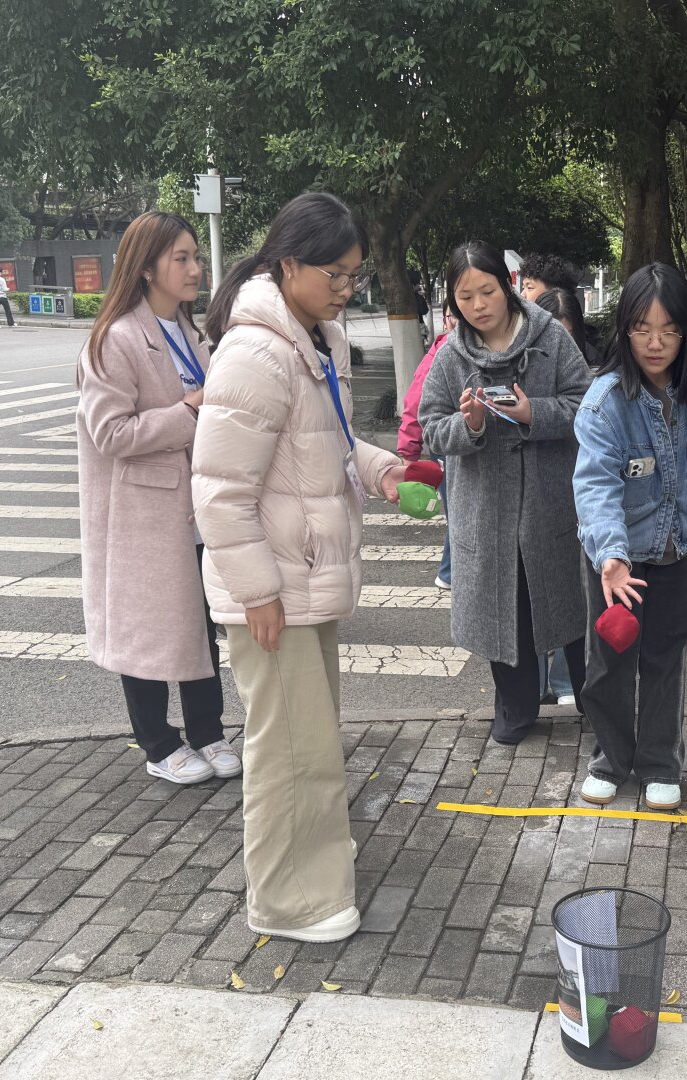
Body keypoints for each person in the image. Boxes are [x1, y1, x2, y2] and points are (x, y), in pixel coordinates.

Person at [192, 192, 406, 943]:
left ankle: (314, 861)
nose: (346, 289)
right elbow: (220, 492)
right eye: (334, 275)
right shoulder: (256, 353)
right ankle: (292, 902)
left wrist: (382, 469)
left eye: (354, 275)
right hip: (273, 589)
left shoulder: (312, 339)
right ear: (288, 266)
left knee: (310, 738)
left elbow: (329, 444)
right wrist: (257, 592)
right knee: (289, 750)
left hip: (302, 579)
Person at [573, 263, 687, 810]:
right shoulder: (605, 401)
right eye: (641, 329)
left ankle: (660, 762)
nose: (655, 344)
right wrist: (611, 557)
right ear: (624, 330)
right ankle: (610, 759)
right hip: (618, 559)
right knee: (611, 660)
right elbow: (595, 486)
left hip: (679, 547)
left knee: (665, 657)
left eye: (669, 331)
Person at [77, 211, 237, 786]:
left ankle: (208, 731)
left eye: (196, 258)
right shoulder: (115, 340)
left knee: (199, 624)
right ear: (146, 268)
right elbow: (110, 434)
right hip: (142, 513)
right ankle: (158, 743)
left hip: (195, 505)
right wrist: (188, 410)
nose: (196, 269)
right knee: (145, 628)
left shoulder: (192, 335)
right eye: (181, 259)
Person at [419, 241, 593, 744]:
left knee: (567, 606)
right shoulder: (451, 354)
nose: (478, 305)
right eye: (465, 296)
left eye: (487, 291)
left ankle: (596, 702)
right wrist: (469, 424)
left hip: (548, 501)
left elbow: (586, 404)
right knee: (503, 611)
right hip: (485, 508)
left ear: (508, 285)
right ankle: (515, 710)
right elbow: (431, 428)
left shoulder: (549, 337)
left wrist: (533, 413)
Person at [532, 287, 593, 707]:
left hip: (581, 492)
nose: (558, 345)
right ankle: (535, 685)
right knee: (532, 590)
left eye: (566, 335)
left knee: (575, 589)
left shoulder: (593, 375)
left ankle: (568, 680)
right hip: (535, 493)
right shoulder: (517, 366)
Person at [399, 309, 458, 588]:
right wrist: (408, 453)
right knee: (459, 512)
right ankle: (448, 573)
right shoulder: (440, 353)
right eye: (451, 315)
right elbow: (415, 402)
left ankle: (450, 573)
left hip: (471, 444)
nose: (456, 321)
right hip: (446, 446)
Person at [536, 285, 602, 370]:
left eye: (567, 335)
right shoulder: (524, 360)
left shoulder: (592, 360)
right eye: (550, 335)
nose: (558, 343)